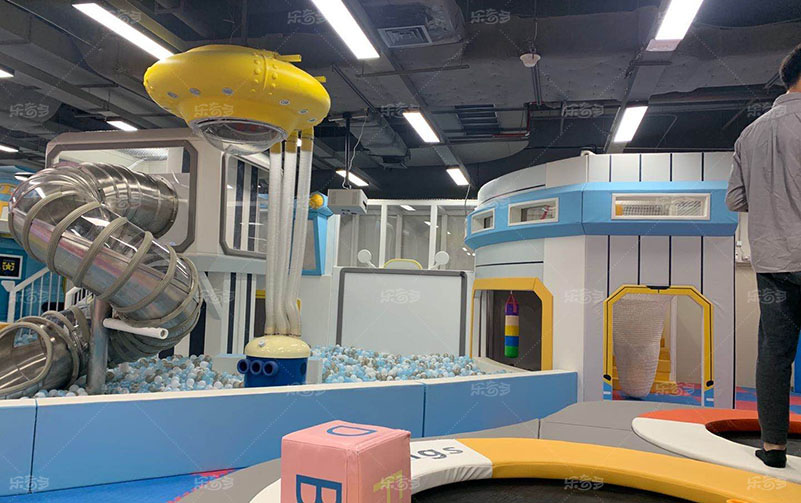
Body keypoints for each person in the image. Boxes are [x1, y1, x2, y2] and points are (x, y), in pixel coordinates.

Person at [726, 43, 801, 469]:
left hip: (773, 263)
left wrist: (772, 200)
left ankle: (773, 447)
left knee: (774, 353)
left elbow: (735, 199)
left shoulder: (749, 133)